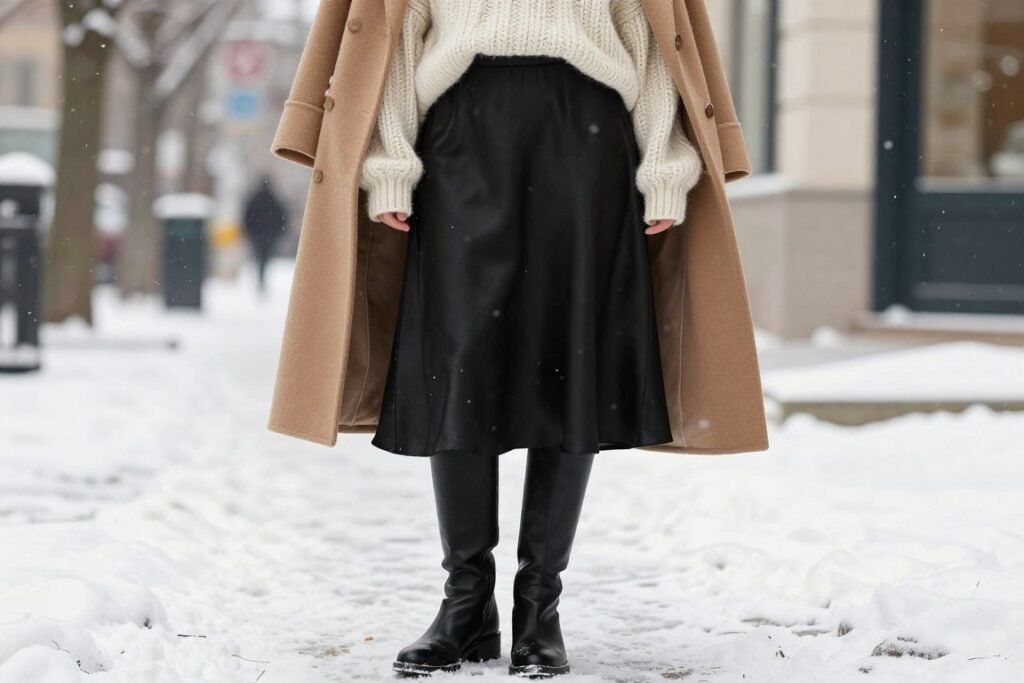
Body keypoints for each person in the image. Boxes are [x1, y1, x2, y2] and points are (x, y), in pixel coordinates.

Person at [357, 1, 704, 678]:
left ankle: (538, 608)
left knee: (570, 361)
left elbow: (649, 36)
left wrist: (662, 164)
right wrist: (391, 160)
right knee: (459, 361)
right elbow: (400, 39)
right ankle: (466, 604)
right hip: (461, 128)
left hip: (588, 128)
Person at [242, 174, 288, 295]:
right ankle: (262, 277)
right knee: (265, 257)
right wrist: (279, 231)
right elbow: (281, 217)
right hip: (269, 235)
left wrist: (249, 231)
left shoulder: (255, 199)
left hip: (258, 234)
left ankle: (260, 277)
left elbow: (247, 216)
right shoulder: (273, 199)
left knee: (260, 256)